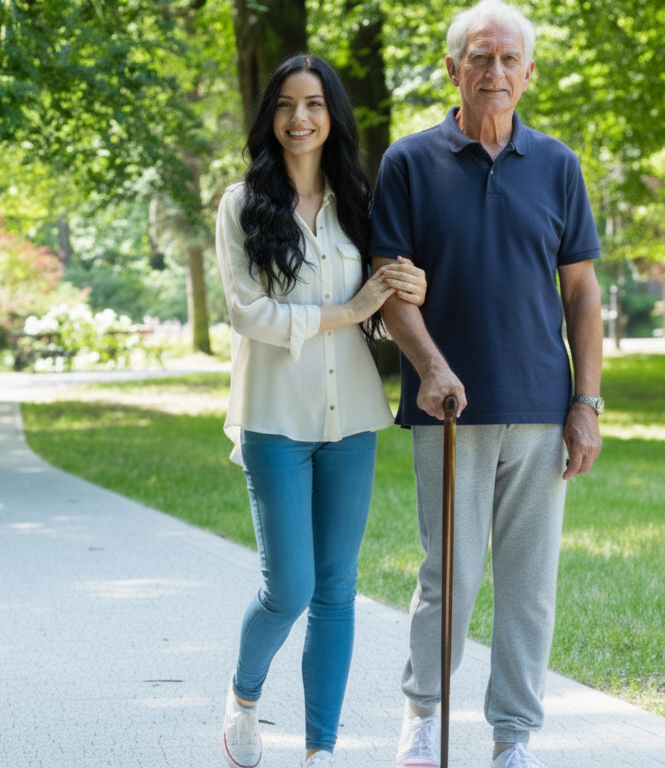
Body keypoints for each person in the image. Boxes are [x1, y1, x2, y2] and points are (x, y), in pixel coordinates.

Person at [368, 2, 605, 766]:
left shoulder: (559, 166)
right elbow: (389, 287)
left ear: (528, 73)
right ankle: (421, 715)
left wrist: (587, 403)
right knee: (450, 578)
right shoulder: (408, 162)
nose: (494, 72)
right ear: (452, 68)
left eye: (509, 60)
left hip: (540, 407)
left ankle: (512, 738)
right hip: (447, 410)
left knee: (529, 588)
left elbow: (582, 294)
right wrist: (431, 367)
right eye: (479, 58)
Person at [215, 54, 429, 768]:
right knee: (290, 588)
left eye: (313, 104)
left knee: (338, 588)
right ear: (268, 116)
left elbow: (385, 304)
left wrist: (409, 288)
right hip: (275, 417)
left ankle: (320, 751)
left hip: (351, 421)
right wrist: (346, 310)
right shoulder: (241, 204)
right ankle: (243, 700)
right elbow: (250, 315)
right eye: (285, 105)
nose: (299, 118)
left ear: (332, 115)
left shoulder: (360, 204)